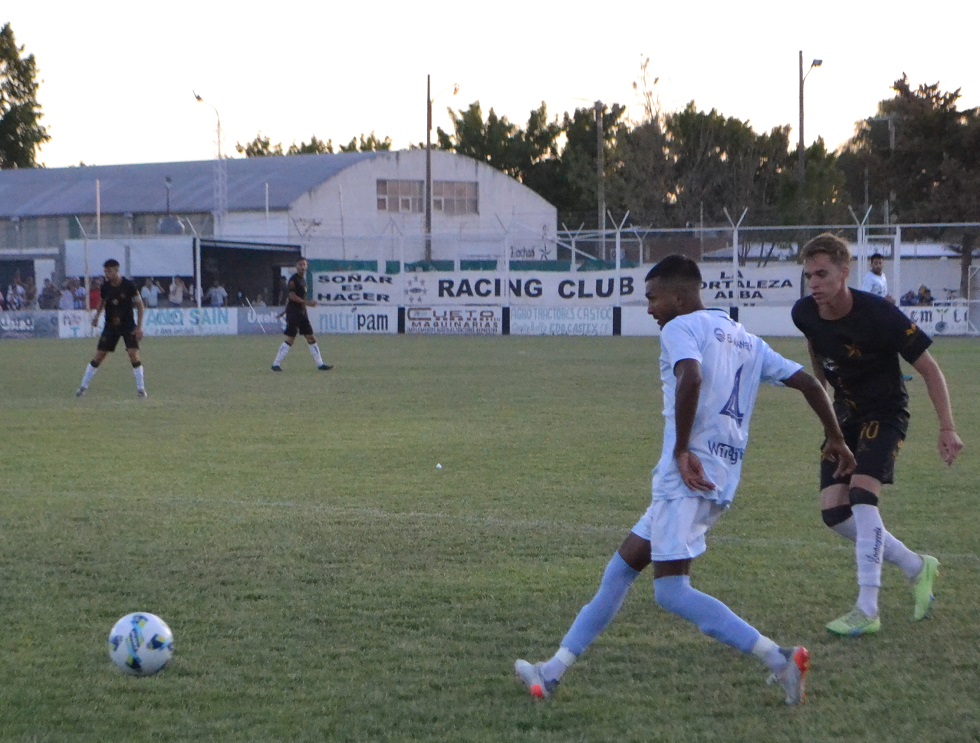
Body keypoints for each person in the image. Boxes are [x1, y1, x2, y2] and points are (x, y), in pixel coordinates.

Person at [515, 255, 856, 706]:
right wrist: (835, 436)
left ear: (679, 297)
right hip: (718, 476)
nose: (650, 309)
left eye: (653, 298)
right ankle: (552, 671)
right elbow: (812, 385)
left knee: (672, 592)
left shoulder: (681, 328)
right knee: (620, 570)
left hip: (687, 476)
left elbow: (691, 375)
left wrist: (680, 451)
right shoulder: (747, 339)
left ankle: (779, 658)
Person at [792, 233, 963, 636]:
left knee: (862, 495)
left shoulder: (881, 315)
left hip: (885, 414)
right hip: (845, 418)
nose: (813, 283)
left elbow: (929, 370)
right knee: (834, 514)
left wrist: (947, 427)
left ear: (844, 273)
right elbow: (816, 348)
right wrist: (824, 396)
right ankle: (917, 566)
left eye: (822, 274)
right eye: (808, 275)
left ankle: (867, 608)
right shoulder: (805, 312)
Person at [75, 258, 148, 399]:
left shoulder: (129, 285)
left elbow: (140, 306)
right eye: (105, 271)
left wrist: (139, 327)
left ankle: (141, 389)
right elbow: (103, 302)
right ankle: (83, 387)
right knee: (99, 355)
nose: (106, 274)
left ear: (116, 270)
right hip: (111, 325)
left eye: (109, 271)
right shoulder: (105, 287)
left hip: (128, 325)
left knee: (133, 354)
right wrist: (96, 316)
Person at [270, 258, 332, 372]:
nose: (303, 267)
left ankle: (320, 364)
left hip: (302, 312)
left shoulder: (303, 280)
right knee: (291, 338)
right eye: (300, 264)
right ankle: (275, 364)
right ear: (296, 266)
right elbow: (292, 296)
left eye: (304, 264)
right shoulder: (293, 280)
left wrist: (284, 311)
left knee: (310, 337)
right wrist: (307, 303)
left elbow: (295, 298)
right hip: (294, 313)